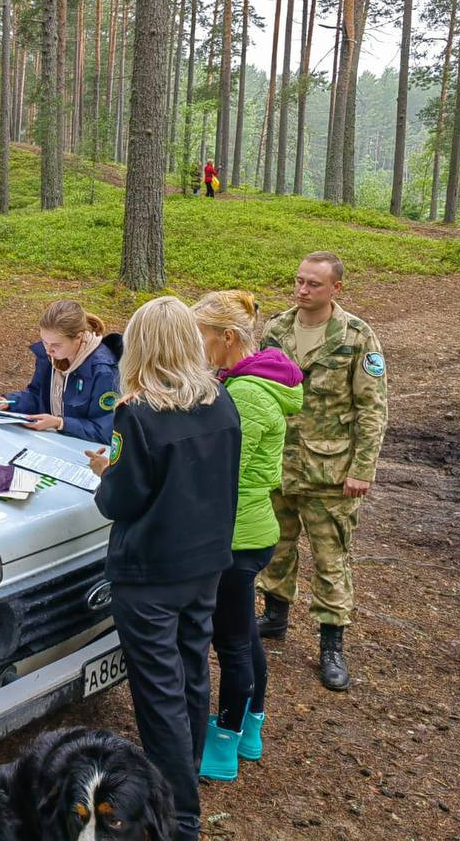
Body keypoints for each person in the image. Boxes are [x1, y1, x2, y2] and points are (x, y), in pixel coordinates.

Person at [85, 296, 240, 841]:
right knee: (192, 669)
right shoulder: (221, 400)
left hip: (150, 572)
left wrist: (108, 471)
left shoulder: (139, 413)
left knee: (158, 693)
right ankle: (187, 780)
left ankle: (178, 818)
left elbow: (120, 501)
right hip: (205, 563)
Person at [256, 252, 389, 692]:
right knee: (276, 544)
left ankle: (331, 644)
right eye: (298, 281)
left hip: (331, 472)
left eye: (313, 283)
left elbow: (372, 408)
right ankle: (275, 615)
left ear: (336, 288)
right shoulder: (275, 329)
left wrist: (362, 468)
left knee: (331, 561)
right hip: (279, 463)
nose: (302, 289)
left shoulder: (355, 336)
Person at [191, 291, 303, 781]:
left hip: (237, 535)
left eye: (202, 337)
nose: (198, 346)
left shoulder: (250, 395)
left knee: (231, 642)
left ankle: (224, 741)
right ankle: (252, 726)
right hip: (246, 529)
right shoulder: (242, 382)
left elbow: (225, 471)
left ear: (227, 338)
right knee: (244, 634)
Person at [0, 299, 122, 444]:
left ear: (79, 337)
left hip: (86, 453)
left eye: (56, 344)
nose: (48, 350)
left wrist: (60, 423)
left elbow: (107, 430)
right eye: (44, 341)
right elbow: (37, 394)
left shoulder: (103, 371)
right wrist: (10, 402)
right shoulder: (51, 356)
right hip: (52, 442)